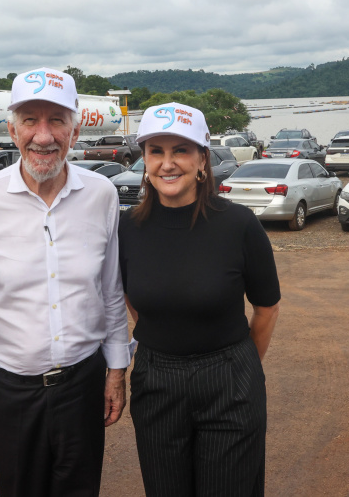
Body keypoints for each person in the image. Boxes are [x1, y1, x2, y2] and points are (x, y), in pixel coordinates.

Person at [0, 67, 132, 497]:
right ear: (12, 131)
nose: (44, 136)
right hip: (8, 389)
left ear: (74, 132)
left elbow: (111, 290)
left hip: (83, 383)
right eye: (30, 120)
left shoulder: (101, 195)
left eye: (57, 121)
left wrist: (116, 370)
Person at [118, 102, 281, 497]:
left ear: (202, 159)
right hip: (156, 382)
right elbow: (132, 297)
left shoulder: (239, 225)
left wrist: (237, 368)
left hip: (230, 382)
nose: (167, 163)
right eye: (156, 151)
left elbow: (266, 308)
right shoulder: (126, 229)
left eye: (181, 150)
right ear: (145, 160)